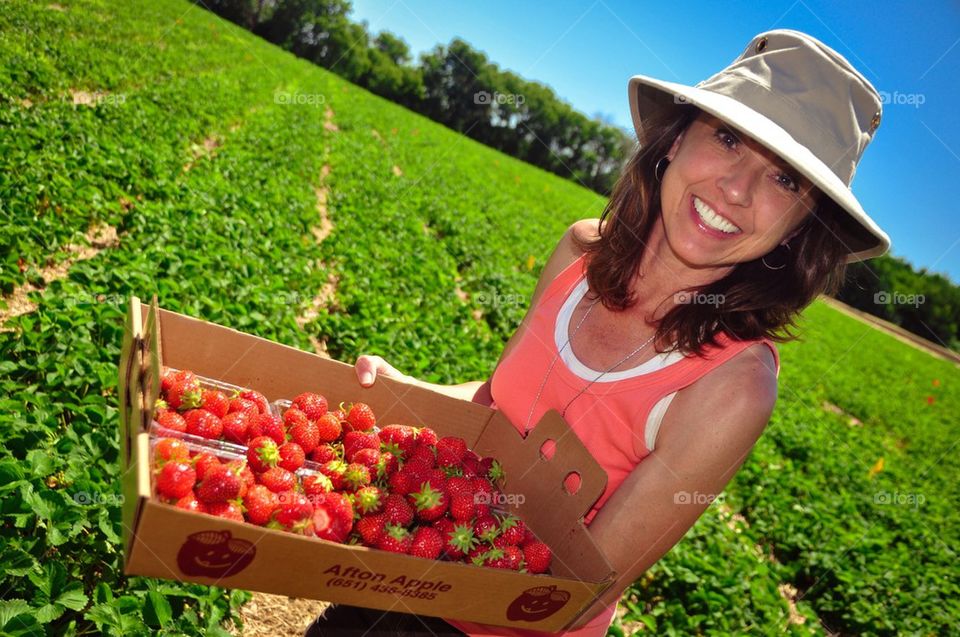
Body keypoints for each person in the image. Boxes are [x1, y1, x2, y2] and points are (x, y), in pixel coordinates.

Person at [304, 28, 891, 637]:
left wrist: (438, 542)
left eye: (786, 181)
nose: (737, 189)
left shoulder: (733, 385)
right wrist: (404, 392)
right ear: (676, 139)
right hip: (401, 567)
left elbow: (577, 586)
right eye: (727, 139)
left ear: (801, 226)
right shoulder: (581, 252)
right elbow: (497, 406)